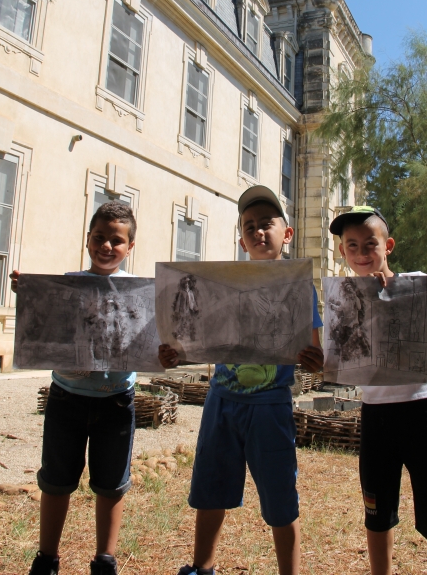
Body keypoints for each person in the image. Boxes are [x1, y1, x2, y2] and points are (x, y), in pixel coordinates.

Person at [159, 185, 324, 575]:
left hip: (271, 407)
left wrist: (316, 361)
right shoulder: (220, 284)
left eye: (267, 223)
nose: (258, 231)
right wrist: (174, 353)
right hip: (222, 402)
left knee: (281, 500)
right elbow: (193, 336)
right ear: (241, 240)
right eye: (249, 226)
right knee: (209, 492)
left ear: (287, 234)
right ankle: (202, 567)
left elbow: (317, 356)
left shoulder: (301, 289)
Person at [330, 205, 427, 575]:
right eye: (352, 247)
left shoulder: (418, 282)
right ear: (344, 254)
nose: (363, 254)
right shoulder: (346, 298)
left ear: (388, 245)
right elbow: (338, 359)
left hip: (423, 411)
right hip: (376, 416)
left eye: (370, 244)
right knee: (377, 515)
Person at [11, 202, 138, 575]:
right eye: (99, 238)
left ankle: (105, 559)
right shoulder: (67, 282)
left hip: (116, 402)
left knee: (112, 484)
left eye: (117, 240)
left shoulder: (139, 292)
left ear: (130, 247)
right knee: (55, 480)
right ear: (87, 240)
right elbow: (44, 322)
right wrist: (30, 292)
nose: (107, 246)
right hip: (66, 397)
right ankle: (46, 558)